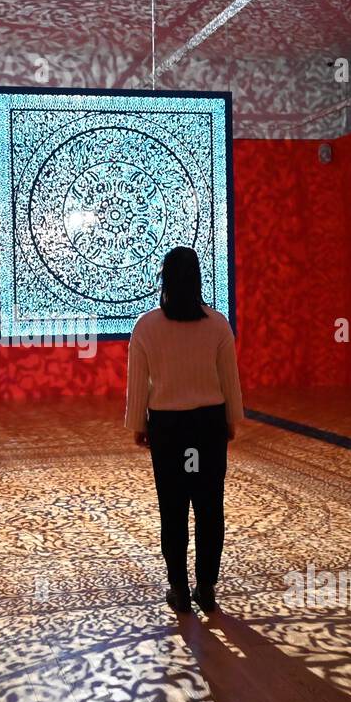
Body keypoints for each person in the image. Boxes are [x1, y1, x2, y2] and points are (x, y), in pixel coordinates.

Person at [125, 247, 243, 614]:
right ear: (198, 280)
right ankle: (206, 587)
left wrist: (138, 425)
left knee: (172, 509)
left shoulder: (146, 326)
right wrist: (232, 421)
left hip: (169, 428)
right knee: (209, 508)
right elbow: (230, 382)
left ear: (164, 281)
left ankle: (179, 589)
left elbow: (138, 384)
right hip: (207, 426)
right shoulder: (218, 324)